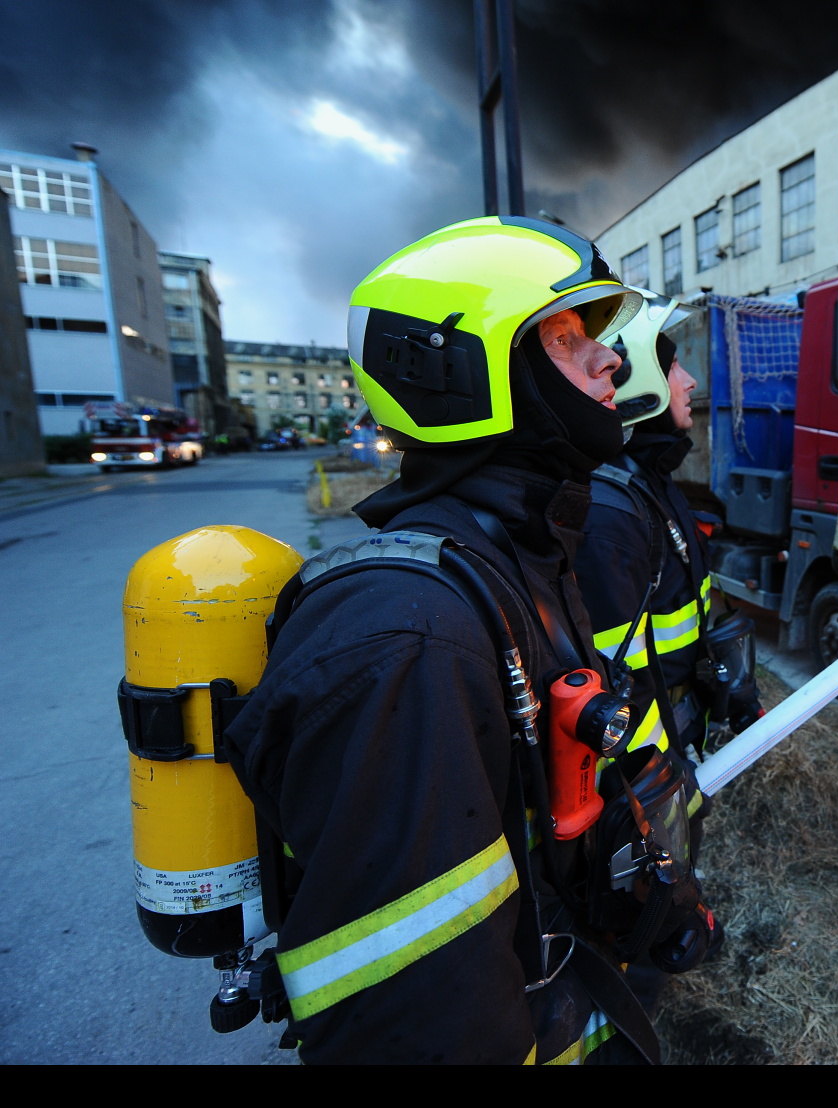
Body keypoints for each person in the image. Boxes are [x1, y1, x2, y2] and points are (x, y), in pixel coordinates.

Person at [222, 216, 668, 1064]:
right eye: (570, 338)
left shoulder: (521, 552)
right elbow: (422, 1021)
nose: (611, 359)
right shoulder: (407, 639)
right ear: (470, 371)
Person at [578, 290, 763, 764]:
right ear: (639, 380)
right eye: (675, 366)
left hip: (680, 725)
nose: (691, 381)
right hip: (651, 756)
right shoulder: (609, 513)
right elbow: (619, 687)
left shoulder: (650, 481)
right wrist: (660, 784)